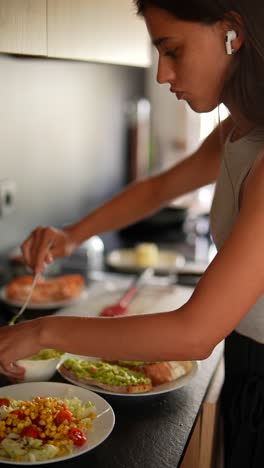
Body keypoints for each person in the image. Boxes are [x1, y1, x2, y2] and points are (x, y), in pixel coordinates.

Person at [1, 0, 264, 466]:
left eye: (173, 50)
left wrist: (42, 331)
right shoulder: (237, 132)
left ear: (232, 33)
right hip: (247, 357)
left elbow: (193, 335)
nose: (163, 74)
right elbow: (161, 187)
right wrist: (72, 235)